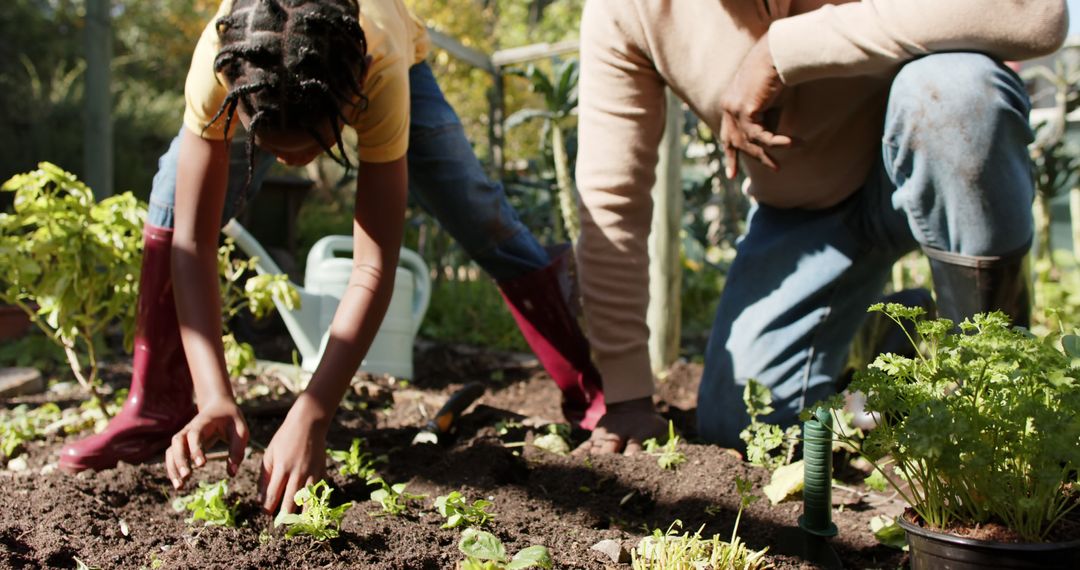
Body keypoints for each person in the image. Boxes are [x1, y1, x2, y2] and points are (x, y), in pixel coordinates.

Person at [58, 0, 608, 515]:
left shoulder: (379, 70)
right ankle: (158, 406)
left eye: (314, 144)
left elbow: (372, 266)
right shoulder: (224, 60)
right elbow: (193, 242)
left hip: (378, 49)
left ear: (353, 98)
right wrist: (215, 396)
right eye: (272, 145)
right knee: (171, 201)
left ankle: (589, 386)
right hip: (268, 71)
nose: (294, 163)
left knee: (471, 205)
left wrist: (315, 411)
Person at [571, 0, 1068, 454]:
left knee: (958, 90)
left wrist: (780, 50)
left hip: (930, 153)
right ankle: (882, 333)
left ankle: (995, 390)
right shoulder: (625, 11)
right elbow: (613, 200)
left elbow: (1032, 13)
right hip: (809, 215)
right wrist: (627, 395)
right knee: (742, 427)